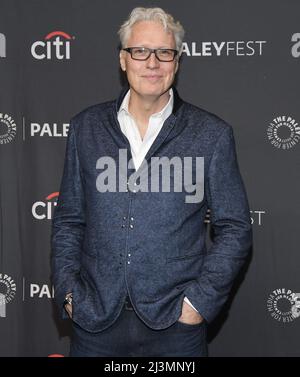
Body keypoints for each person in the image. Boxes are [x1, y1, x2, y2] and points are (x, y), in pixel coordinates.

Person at [51, 7, 252, 357]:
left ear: (176, 61)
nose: (152, 62)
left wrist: (198, 304)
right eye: (140, 51)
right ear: (123, 60)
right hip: (94, 322)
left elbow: (235, 227)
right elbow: (69, 220)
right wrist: (69, 293)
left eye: (164, 52)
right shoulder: (85, 128)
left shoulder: (211, 135)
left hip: (175, 328)